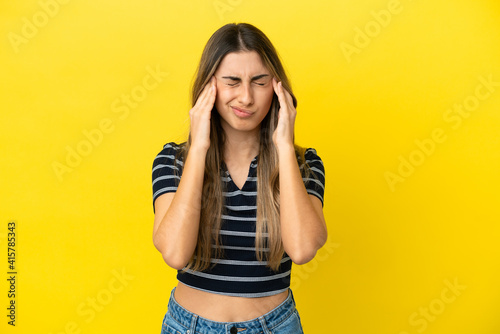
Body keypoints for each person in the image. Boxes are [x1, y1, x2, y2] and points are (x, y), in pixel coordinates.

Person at [152, 22, 327, 334]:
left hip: (274, 326)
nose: (246, 98)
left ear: (277, 89)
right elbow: (175, 253)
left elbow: (302, 250)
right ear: (209, 87)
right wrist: (200, 146)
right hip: (188, 327)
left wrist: (284, 147)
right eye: (232, 82)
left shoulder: (304, 164)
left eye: (259, 82)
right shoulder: (174, 161)